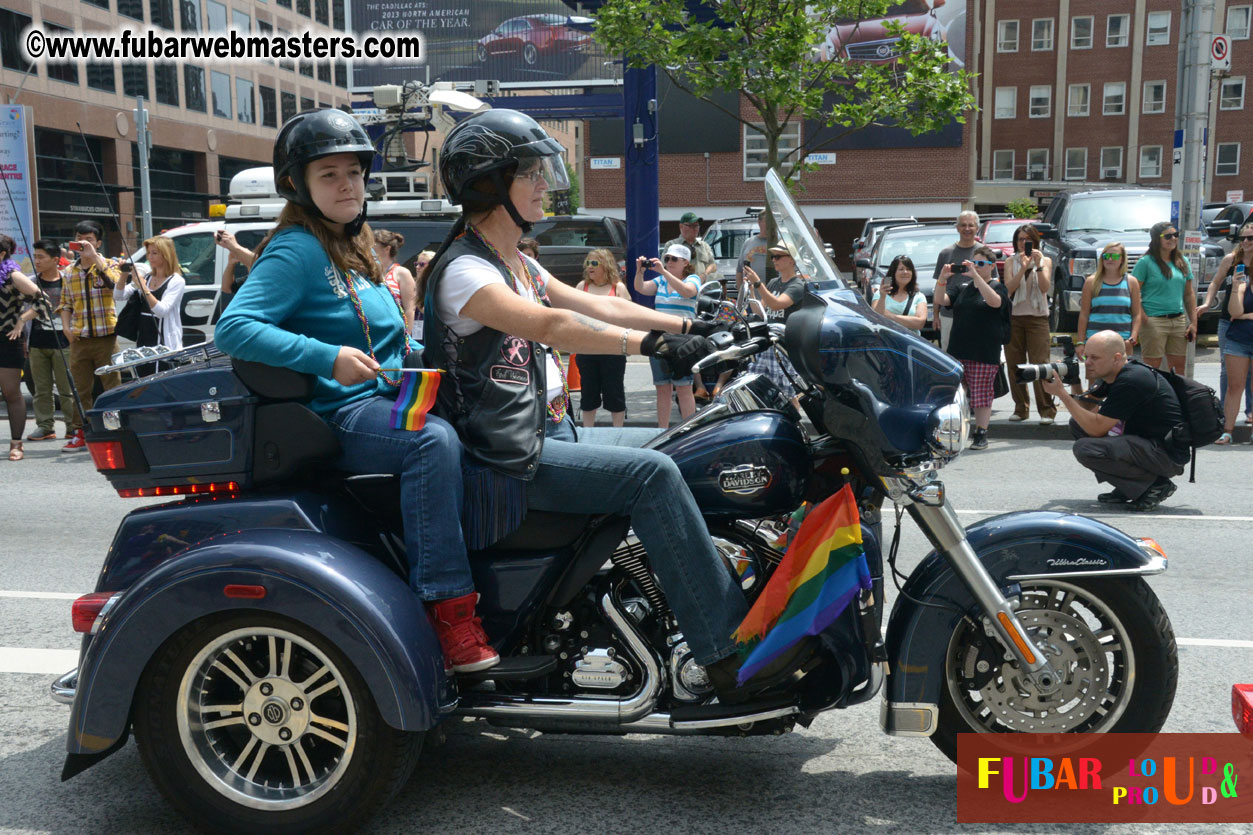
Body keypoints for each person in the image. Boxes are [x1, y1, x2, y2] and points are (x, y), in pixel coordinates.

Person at [420, 108, 802, 700]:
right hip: (504, 462)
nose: (545, 182)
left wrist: (697, 320)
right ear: (490, 184)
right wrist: (651, 345)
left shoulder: (515, 260)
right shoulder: (466, 272)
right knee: (652, 475)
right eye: (530, 173)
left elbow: (601, 306)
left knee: (691, 444)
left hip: (549, 437)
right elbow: (556, 325)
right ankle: (725, 649)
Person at [215, 109, 498, 675]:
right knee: (430, 442)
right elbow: (235, 327)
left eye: (354, 172)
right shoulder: (297, 248)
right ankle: (449, 612)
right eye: (329, 174)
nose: (347, 184)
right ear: (297, 184)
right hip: (340, 412)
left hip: (385, 398)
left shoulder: (352, 242)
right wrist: (327, 358)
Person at [1041, 330, 1188, 511]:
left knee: (1085, 449)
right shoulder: (1114, 373)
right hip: (1145, 447)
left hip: (1166, 455)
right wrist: (1073, 379)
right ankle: (1130, 487)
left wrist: (1061, 394)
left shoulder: (1131, 380)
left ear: (1116, 358)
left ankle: (1155, 485)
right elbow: (1084, 409)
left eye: (1095, 358)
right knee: (1077, 424)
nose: (1087, 362)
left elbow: (1097, 429)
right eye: (1086, 356)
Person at [57, 219, 123, 452]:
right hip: (80, 338)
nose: (84, 244)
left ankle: (114, 431)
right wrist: (66, 327)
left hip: (106, 337)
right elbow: (65, 303)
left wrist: (95, 258)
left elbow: (116, 287)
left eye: (89, 240)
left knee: (111, 386)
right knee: (79, 389)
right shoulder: (68, 271)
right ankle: (81, 432)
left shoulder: (110, 264)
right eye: (80, 239)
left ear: (99, 243)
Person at [936, 244, 1009, 451]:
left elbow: (995, 303)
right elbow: (941, 300)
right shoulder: (962, 288)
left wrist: (977, 277)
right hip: (959, 349)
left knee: (981, 394)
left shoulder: (996, 287)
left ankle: (981, 432)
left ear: (991, 266)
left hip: (984, 351)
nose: (976, 267)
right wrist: (943, 278)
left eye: (981, 264)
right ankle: (958, 431)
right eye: (973, 263)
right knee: (957, 394)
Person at [634, 243, 701, 427]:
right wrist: (640, 271)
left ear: (685, 262)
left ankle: (688, 430)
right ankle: (662, 430)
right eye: (667, 259)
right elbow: (641, 288)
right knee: (662, 388)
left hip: (682, 340)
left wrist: (664, 272)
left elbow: (687, 291)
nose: (669, 262)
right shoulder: (661, 280)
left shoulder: (693, 278)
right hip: (660, 338)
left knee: (684, 388)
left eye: (673, 259)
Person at [21, 240, 76, 442]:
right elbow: (22, 312)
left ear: (55, 260)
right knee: (41, 390)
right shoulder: (30, 282)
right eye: (35, 257)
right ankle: (45, 426)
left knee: (67, 390)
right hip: (37, 344)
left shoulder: (67, 281)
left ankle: (73, 427)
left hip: (64, 343)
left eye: (41, 257)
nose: (37, 261)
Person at [1202, 222, 1253, 435]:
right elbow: (1215, 282)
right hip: (1229, 321)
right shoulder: (1231, 260)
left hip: (1246, 319)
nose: (1246, 242)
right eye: (1243, 238)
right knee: (1228, 370)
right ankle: (1224, 415)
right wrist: (1207, 303)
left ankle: (1250, 412)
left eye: (1251, 238)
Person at [1003, 224, 1057, 425]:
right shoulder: (1011, 261)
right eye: (1020, 239)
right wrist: (1024, 267)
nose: (1024, 243)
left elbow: (1044, 287)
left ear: (1035, 241)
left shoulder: (1046, 260)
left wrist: (1038, 265)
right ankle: (1021, 407)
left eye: (1028, 239)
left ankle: (1046, 410)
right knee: (1014, 363)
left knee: (1040, 364)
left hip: (1037, 318)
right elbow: (1009, 288)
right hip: (1014, 317)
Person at [743, 241, 808, 406]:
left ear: (791, 260)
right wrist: (751, 289)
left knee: (788, 389)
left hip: (784, 346)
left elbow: (777, 304)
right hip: (769, 344)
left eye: (778, 256)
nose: (774, 260)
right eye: (773, 257)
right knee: (759, 384)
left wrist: (758, 284)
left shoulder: (797, 286)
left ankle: (797, 424)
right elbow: (760, 311)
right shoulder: (773, 283)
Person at [114, 235, 187, 375]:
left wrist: (142, 286)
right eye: (148, 253)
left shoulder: (176, 281)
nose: (150, 257)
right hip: (144, 337)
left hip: (165, 341)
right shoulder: (146, 277)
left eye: (154, 253)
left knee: (162, 380)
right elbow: (119, 296)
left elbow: (161, 310)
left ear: (166, 255)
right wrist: (124, 274)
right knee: (144, 376)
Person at [1076, 242, 1142, 392]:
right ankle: (1091, 415)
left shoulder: (1131, 282)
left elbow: (1137, 314)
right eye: (1106, 256)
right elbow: (1084, 314)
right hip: (1094, 342)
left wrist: (1133, 337)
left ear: (1122, 259)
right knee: (1094, 389)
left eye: (1114, 256)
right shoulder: (1091, 282)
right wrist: (1080, 342)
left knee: (1123, 386)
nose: (1110, 259)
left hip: (1122, 342)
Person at [574, 248, 630, 427]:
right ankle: (587, 433)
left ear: (605, 266)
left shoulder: (618, 287)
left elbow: (629, 314)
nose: (590, 267)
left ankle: (617, 431)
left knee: (614, 392)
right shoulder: (582, 287)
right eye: (588, 263)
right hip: (587, 349)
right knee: (588, 394)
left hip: (612, 348)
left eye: (595, 263)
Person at [1132, 222, 1196, 375]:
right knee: (1152, 368)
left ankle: (1176, 398)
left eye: (1175, 235)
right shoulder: (1145, 262)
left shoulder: (1182, 261)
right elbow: (1133, 292)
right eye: (1167, 236)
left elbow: (1188, 294)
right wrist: (1144, 317)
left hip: (1178, 320)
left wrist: (1193, 322)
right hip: (1154, 320)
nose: (1173, 239)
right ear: (1156, 239)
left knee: (1178, 368)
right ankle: (1154, 398)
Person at [0, 236, 41, 460]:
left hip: (7, 339)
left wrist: (21, 320)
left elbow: (42, 300)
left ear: (2, 254)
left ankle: (16, 444)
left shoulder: (12, 276)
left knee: (11, 393)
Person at [932, 210, 981, 349]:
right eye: (963, 225)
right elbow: (938, 285)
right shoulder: (945, 253)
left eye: (971, 225)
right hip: (949, 314)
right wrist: (936, 315)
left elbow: (993, 283)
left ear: (977, 228)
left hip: (977, 314)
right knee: (949, 353)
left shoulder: (984, 253)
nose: (967, 229)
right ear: (957, 228)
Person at [1218, 252, 1253, 444]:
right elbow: (1235, 311)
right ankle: (1227, 431)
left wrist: (1243, 315)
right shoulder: (1243, 285)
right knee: (1234, 387)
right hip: (1238, 340)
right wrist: (1235, 289)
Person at [373, 229, 418, 333]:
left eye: (373, 244)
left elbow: (410, 309)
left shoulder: (401, 273)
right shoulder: (369, 273)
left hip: (396, 331)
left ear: (387, 249)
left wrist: (407, 337)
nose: (369, 247)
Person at [871, 254, 928, 332]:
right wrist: (883, 297)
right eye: (901, 269)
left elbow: (920, 323)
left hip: (910, 342)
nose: (905, 272)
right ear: (893, 273)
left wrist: (890, 316)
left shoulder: (919, 296)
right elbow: (876, 317)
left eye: (908, 269)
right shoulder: (880, 294)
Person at [663, 211, 719, 280]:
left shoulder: (704, 246)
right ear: (681, 226)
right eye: (690, 225)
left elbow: (713, 265)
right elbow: (665, 267)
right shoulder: (671, 245)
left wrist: (704, 275)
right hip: (679, 287)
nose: (694, 228)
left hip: (701, 288)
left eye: (696, 226)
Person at [735, 212, 770, 310]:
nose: (770, 225)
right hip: (750, 300)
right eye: (767, 222)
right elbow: (739, 271)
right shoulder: (748, 243)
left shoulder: (777, 243)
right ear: (759, 222)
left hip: (771, 299)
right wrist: (741, 293)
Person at [216, 229, 255, 304]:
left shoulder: (266, 274)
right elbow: (227, 288)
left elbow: (255, 264)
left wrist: (235, 247)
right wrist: (231, 264)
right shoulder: (247, 278)